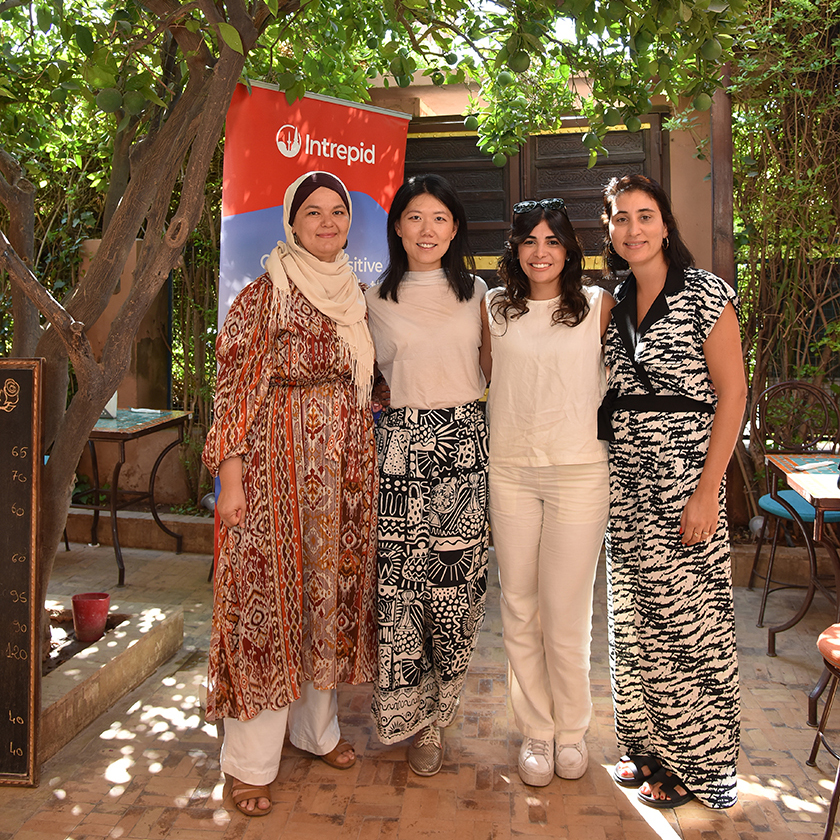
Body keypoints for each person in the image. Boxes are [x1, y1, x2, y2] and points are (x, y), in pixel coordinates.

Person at [202, 171, 378, 817]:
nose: (327, 223)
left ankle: (315, 731)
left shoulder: (355, 297)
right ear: (292, 222)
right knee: (268, 604)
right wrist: (231, 478)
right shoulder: (263, 295)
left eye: (337, 213)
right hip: (275, 473)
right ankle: (248, 763)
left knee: (324, 597)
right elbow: (233, 391)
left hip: (343, 476)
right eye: (313, 213)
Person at [598, 174, 746, 809]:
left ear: (665, 224)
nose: (633, 229)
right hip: (624, 487)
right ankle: (649, 755)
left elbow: (732, 395)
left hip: (686, 483)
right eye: (621, 219)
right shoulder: (612, 301)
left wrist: (709, 489)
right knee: (635, 624)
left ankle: (700, 769)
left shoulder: (707, 296)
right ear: (610, 230)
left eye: (645, 216)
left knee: (692, 630)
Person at [365, 173, 491, 776]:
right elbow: (361, 379)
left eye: (439, 217)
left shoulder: (480, 295)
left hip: (464, 450)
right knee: (399, 598)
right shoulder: (372, 298)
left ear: (455, 228)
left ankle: (440, 720)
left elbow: (498, 371)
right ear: (397, 227)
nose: (427, 229)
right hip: (397, 454)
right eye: (415, 217)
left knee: (455, 597)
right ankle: (407, 718)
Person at [485, 198, 613, 786]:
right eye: (530, 241)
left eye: (552, 241)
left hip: (579, 473)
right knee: (518, 607)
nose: (541, 252)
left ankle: (572, 732)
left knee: (565, 613)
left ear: (569, 249)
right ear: (515, 249)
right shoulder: (494, 308)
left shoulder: (596, 306)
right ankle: (536, 732)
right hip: (510, 471)